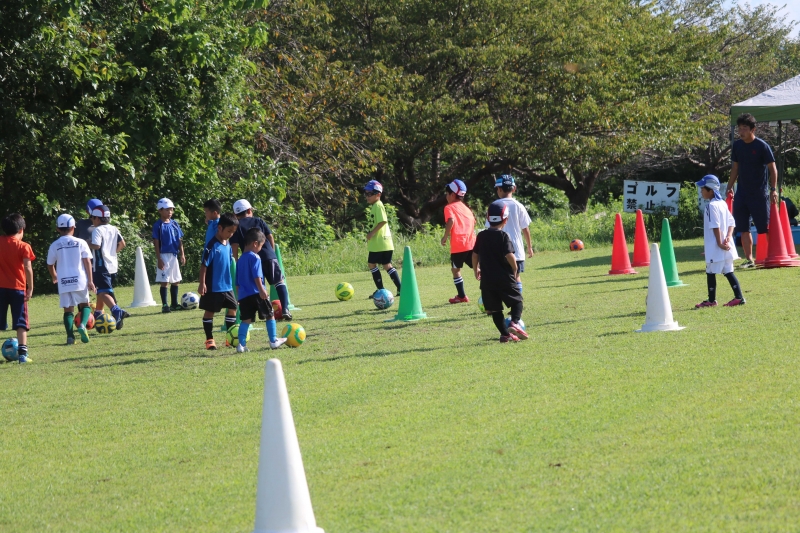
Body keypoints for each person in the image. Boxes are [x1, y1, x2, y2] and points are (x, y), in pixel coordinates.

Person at [727, 113, 778, 268]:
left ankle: (772, 256)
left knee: (765, 228)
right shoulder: (737, 146)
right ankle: (749, 260)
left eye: (744, 128)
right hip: (742, 193)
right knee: (743, 228)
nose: (741, 131)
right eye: (739, 128)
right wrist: (729, 187)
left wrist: (773, 189)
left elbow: (773, 169)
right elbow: (735, 169)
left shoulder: (762, 146)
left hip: (759, 194)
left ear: (753, 129)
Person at [472, 203, 529, 342]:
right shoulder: (503, 235)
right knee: (517, 301)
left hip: (487, 280)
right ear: (506, 219)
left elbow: (474, 254)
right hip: (505, 278)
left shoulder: (481, 235)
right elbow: (509, 255)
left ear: (488, 218)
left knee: (495, 310)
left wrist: (476, 269)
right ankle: (515, 323)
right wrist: (515, 269)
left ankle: (505, 334)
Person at [229, 199, 292, 320]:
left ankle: (265, 312)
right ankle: (285, 308)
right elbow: (270, 236)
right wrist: (272, 252)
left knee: (259, 285)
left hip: (250, 260)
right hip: (269, 256)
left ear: (235, 215)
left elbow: (234, 246)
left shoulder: (236, 227)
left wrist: (237, 262)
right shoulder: (258, 220)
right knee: (279, 282)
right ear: (249, 210)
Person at [695, 175, 745, 308]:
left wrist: (719, 243)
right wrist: (728, 237)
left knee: (710, 271)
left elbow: (715, 225)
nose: (701, 191)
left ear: (711, 190)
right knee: (728, 271)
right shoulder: (723, 203)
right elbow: (731, 222)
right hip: (726, 245)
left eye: (703, 188)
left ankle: (711, 301)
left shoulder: (711, 206)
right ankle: (739, 297)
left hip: (718, 246)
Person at [46, 214, 96, 345]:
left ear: (57, 228)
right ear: (73, 227)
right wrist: (90, 281)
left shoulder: (55, 245)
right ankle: (82, 325)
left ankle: (70, 337)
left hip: (64, 281)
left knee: (68, 310)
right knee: (85, 305)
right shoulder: (81, 242)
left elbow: (50, 264)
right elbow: (87, 262)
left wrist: (54, 276)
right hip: (80, 279)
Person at [236, 229, 287, 352]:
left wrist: (238, 297)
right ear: (255, 243)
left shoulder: (240, 260)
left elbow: (237, 282)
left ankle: (241, 345)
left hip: (244, 296)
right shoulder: (255, 257)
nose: (260, 249)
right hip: (257, 293)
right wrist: (262, 290)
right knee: (270, 315)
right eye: (261, 246)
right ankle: (273, 340)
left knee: (246, 320)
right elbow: (257, 276)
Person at [198, 213, 239, 350]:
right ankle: (209, 339)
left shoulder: (228, 244)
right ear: (220, 228)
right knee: (210, 312)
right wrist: (202, 283)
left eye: (233, 232)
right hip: (213, 287)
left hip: (227, 286)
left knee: (233, 308)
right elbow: (204, 265)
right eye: (229, 231)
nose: (231, 234)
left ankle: (229, 338)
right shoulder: (211, 245)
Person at [488, 175, 533, 293]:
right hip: (516, 250)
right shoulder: (519, 206)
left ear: (499, 189)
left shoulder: (494, 206)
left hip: (498, 250)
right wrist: (529, 247)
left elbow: (489, 229)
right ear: (514, 188)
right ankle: (517, 300)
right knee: (516, 276)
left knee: (498, 277)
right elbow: (525, 229)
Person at [0, 214, 35, 362]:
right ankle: (22, 355)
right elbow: (28, 267)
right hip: (18, 289)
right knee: (21, 322)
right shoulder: (24, 246)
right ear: (21, 230)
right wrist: (30, 287)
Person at [88, 205, 129, 328]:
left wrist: (86, 243)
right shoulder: (114, 228)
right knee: (102, 290)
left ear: (97, 218)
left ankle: (117, 311)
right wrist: (112, 253)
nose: (92, 220)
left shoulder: (97, 230)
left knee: (102, 291)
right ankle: (98, 313)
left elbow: (96, 246)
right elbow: (122, 244)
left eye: (92, 218)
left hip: (101, 266)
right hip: (113, 266)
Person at [440, 179, 476, 303]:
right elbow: (473, 222)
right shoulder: (466, 208)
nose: (446, 196)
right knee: (478, 268)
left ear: (452, 195)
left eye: (447, 193)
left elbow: (451, 220)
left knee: (455, 270)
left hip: (459, 245)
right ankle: (493, 289)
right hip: (471, 244)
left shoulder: (449, 207)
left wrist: (445, 236)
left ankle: (462, 296)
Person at [364, 180, 401, 298]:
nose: (367, 196)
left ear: (378, 194)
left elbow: (383, 221)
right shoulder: (376, 205)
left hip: (379, 243)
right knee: (387, 265)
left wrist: (371, 233)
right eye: (366, 193)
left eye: (370, 194)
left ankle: (381, 290)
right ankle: (400, 288)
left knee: (372, 264)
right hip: (385, 242)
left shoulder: (378, 205)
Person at [152, 198, 186, 313]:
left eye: (171, 210)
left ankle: (174, 304)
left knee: (176, 280)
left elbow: (179, 240)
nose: (170, 212)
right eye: (167, 210)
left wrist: (182, 254)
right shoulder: (158, 225)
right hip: (163, 255)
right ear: (160, 210)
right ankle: (165, 305)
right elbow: (156, 242)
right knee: (165, 280)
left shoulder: (174, 224)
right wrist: (159, 258)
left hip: (173, 255)